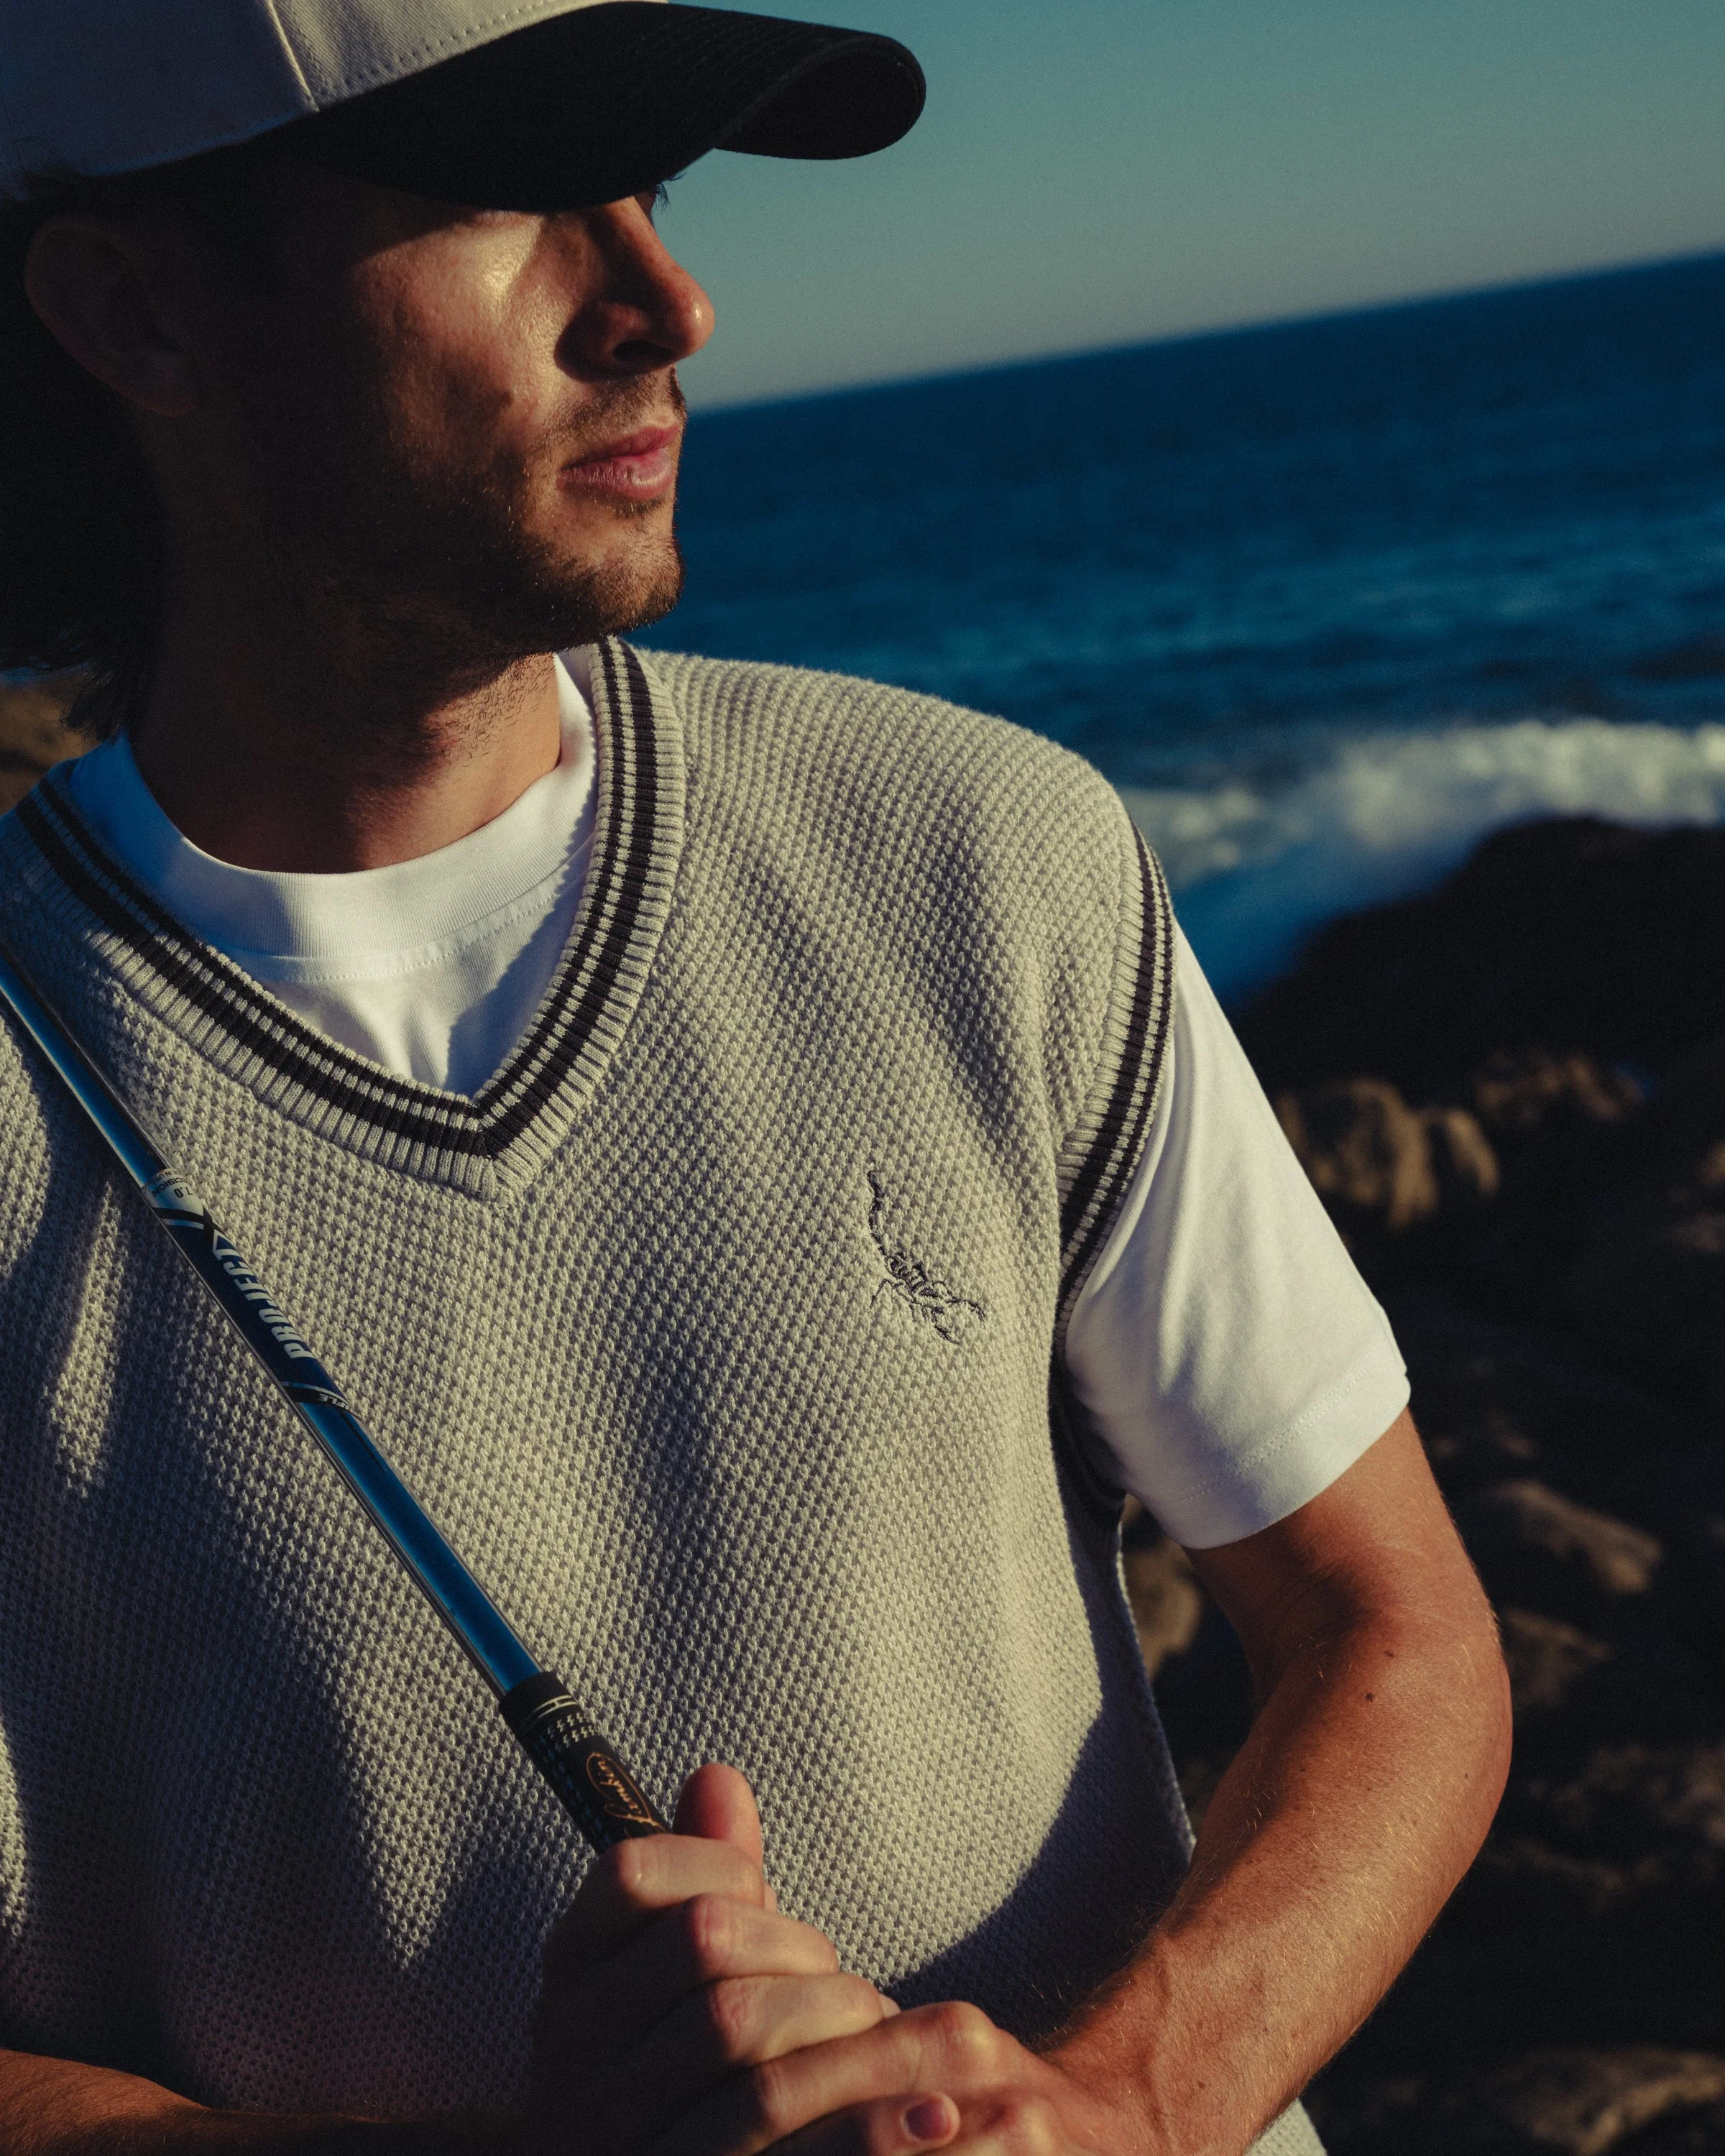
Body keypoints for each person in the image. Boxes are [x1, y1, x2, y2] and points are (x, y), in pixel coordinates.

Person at [0, 3, 1512, 2151]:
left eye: (657, 194)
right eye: (511, 198)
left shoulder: (986, 855)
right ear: (133, 308)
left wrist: (1121, 2109)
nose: (664, 298)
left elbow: (1394, 1630)